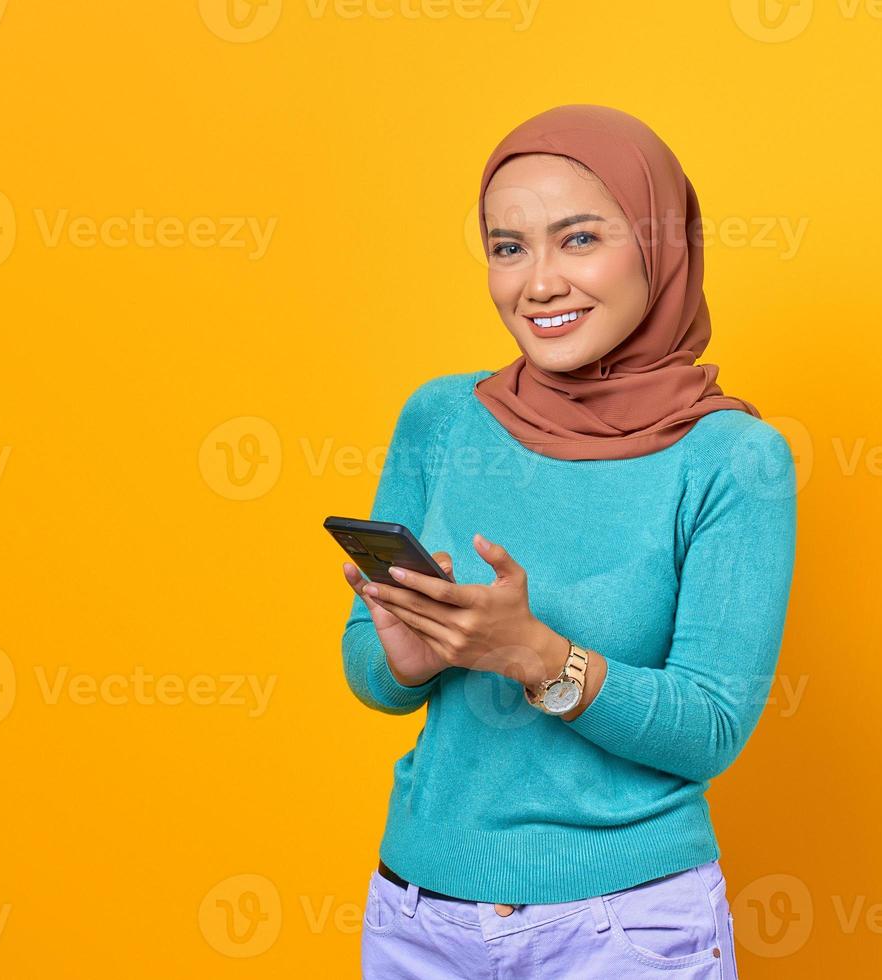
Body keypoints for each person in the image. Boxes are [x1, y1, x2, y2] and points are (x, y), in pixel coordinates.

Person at [339, 103, 797, 978]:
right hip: (419, 919)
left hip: (625, 933)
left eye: (578, 239)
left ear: (659, 249)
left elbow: (709, 728)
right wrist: (409, 654)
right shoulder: (441, 418)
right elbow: (370, 672)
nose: (537, 283)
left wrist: (536, 657)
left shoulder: (736, 460)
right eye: (508, 247)